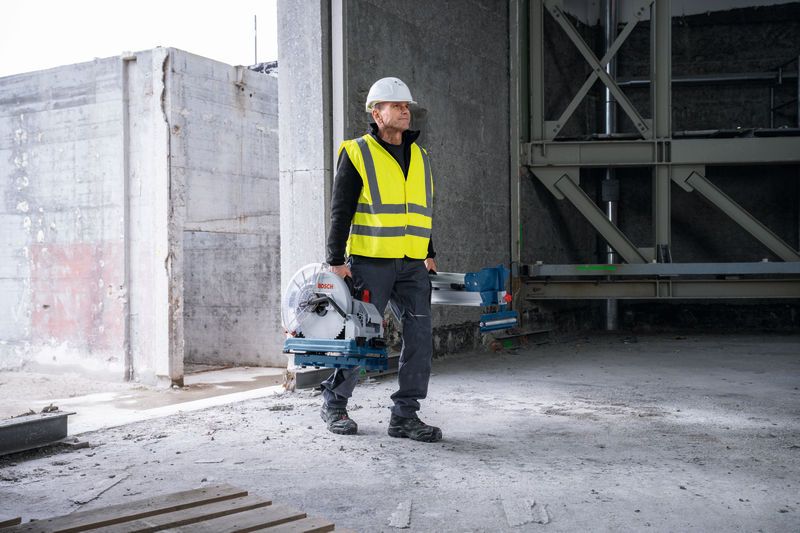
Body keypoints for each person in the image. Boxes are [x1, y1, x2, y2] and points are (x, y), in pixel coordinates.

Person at [320, 77, 442, 443]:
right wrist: (335, 259)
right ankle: (335, 403)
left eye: (407, 105)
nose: (405, 110)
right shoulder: (357, 152)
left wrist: (429, 251)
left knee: (420, 338)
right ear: (377, 113)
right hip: (370, 261)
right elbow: (340, 209)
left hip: (411, 265)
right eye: (396, 105)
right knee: (361, 336)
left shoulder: (420, 156)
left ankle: (405, 415)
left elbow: (417, 209)